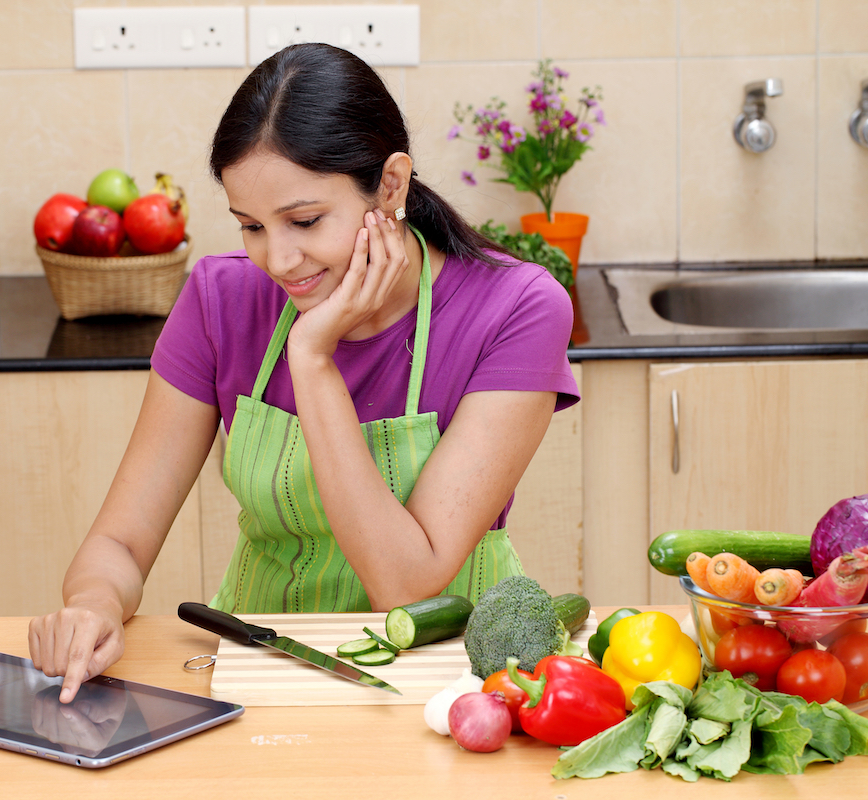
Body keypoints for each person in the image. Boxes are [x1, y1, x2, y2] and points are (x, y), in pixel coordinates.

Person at [29, 43, 579, 703]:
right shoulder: (218, 299)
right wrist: (92, 604)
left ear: (392, 186)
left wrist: (313, 360)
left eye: (306, 221)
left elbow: (406, 584)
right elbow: (118, 543)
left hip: (457, 685)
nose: (279, 259)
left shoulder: (516, 309)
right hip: (261, 672)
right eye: (251, 226)